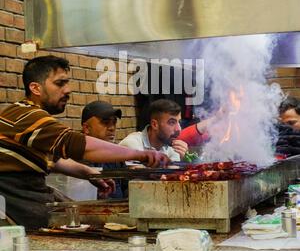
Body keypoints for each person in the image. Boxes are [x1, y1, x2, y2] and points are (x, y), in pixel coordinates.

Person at [0, 56, 169, 229]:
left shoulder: (25, 115)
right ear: (36, 88)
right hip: (13, 199)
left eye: (67, 83)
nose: (68, 90)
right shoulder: (26, 115)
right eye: (60, 83)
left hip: (26, 195)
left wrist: (89, 173)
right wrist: (140, 154)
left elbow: (55, 160)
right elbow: (79, 145)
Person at [81, 100, 126, 198]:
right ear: (87, 128)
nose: (112, 128)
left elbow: (126, 190)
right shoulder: (77, 156)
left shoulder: (116, 156)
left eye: (114, 122)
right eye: (105, 122)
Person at [119, 99, 188, 161]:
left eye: (179, 122)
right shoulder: (133, 144)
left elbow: (172, 173)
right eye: (172, 122)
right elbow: (137, 174)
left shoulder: (170, 146)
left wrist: (183, 161)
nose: (179, 129)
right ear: (155, 124)